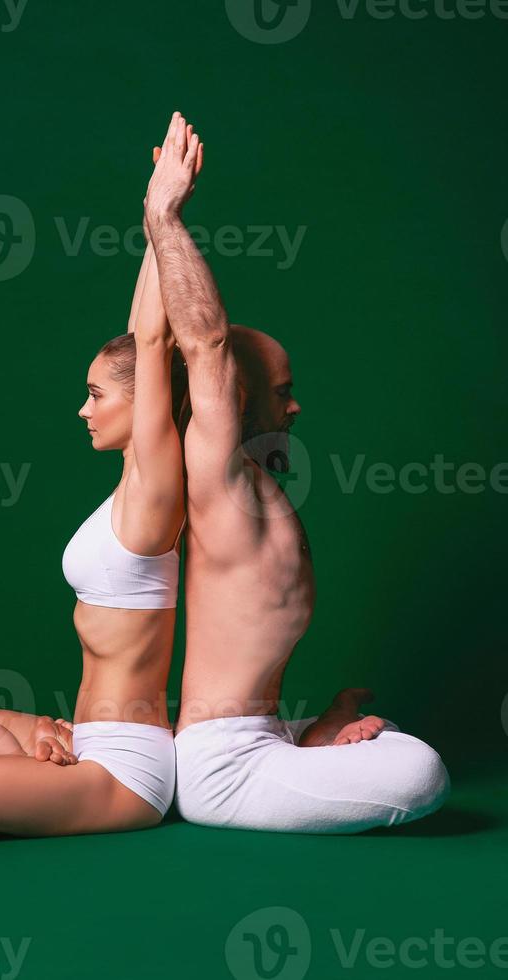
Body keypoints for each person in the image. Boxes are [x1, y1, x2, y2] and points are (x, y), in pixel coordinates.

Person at [144, 111, 451, 834]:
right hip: (222, 768)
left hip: (255, 737)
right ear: (238, 398)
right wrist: (163, 212)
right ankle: (301, 746)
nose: (298, 405)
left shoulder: (251, 483)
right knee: (421, 771)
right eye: (282, 392)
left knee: (389, 738)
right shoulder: (219, 479)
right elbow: (208, 342)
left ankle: (303, 738)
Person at [0, 129, 202, 838]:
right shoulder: (122, 498)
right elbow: (141, 339)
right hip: (88, 732)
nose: (83, 408)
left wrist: (162, 216)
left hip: (128, 769)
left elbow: (151, 338)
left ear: (145, 404)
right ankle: (47, 747)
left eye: (98, 394)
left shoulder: (153, 488)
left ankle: (49, 774)